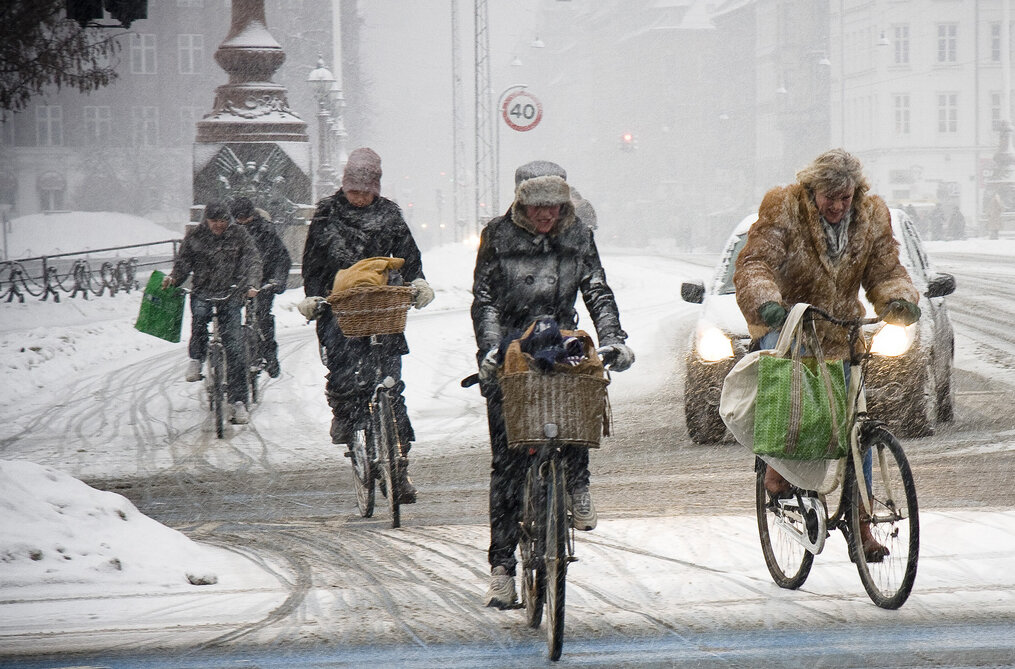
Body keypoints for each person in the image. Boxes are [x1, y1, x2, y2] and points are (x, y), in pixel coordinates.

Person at [733, 148, 921, 562]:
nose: (836, 206)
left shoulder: (871, 217)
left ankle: (861, 524)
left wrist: (897, 300)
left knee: (857, 430)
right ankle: (778, 472)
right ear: (811, 190)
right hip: (790, 323)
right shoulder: (784, 208)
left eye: (845, 198)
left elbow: (885, 271)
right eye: (828, 197)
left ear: (857, 194)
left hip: (841, 331)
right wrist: (768, 304)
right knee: (792, 402)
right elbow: (755, 264)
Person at [472, 161, 634, 608]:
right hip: (510, 347)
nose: (546, 216)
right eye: (537, 207)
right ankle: (502, 568)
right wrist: (489, 350)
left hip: (561, 340)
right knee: (507, 466)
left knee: (578, 395)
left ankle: (577, 481)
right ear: (522, 204)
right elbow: (484, 299)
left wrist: (613, 338)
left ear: (564, 204)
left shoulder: (578, 235)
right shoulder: (498, 236)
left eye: (554, 207)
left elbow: (597, 289)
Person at [297, 147, 434, 503]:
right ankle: (345, 416)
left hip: (380, 307)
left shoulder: (389, 215)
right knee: (344, 373)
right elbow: (312, 261)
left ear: (376, 187)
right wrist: (314, 296)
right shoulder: (327, 214)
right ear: (343, 186)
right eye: (352, 190)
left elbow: (409, 255)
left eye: (365, 191)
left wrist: (417, 281)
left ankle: (398, 467)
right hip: (339, 307)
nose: (358, 198)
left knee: (392, 387)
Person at [162, 200, 263, 424]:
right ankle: (196, 358)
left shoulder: (240, 235)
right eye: (214, 221)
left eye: (223, 221)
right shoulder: (196, 236)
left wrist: (252, 284)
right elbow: (183, 262)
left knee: (235, 346)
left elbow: (252, 260)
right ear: (206, 220)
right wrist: (175, 278)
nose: (219, 225)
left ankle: (238, 402)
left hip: (231, 292)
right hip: (203, 290)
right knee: (198, 318)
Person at [229, 196, 292, 378]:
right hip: (236, 283)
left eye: (245, 217)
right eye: (238, 218)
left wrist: (277, 281)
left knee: (262, 316)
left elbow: (281, 258)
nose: (242, 221)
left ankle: (269, 353)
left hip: (263, 283)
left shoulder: (266, 231)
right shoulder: (230, 232)